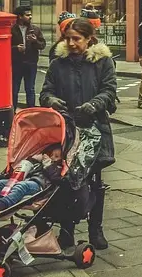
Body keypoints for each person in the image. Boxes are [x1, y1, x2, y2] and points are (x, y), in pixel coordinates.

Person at [41, 18, 118, 250]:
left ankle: (96, 229)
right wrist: (52, 100)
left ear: (89, 39)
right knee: (66, 182)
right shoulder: (58, 64)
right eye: (68, 39)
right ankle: (67, 231)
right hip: (66, 131)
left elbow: (109, 90)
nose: (72, 43)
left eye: (78, 39)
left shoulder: (103, 62)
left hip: (94, 129)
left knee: (94, 181)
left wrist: (94, 104)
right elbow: (46, 91)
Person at [0, 143, 63, 214]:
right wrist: (33, 159)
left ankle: (3, 204)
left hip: (40, 185)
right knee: (0, 183)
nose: (52, 158)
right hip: (28, 180)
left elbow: (54, 177)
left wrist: (47, 163)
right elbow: (25, 168)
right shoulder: (40, 164)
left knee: (21, 186)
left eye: (56, 156)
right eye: (52, 155)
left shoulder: (58, 167)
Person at [11, 6, 46, 109]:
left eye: (30, 14)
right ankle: (12, 113)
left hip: (31, 63)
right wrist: (15, 48)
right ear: (20, 17)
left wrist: (35, 41)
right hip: (16, 63)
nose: (30, 17)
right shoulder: (12, 30)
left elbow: (42, 45)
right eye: (27, 15)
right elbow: (4, 47)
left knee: (30, 89)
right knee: (14, 89)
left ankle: (31, 111)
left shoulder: (35, 29)